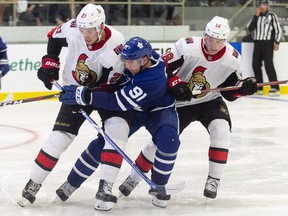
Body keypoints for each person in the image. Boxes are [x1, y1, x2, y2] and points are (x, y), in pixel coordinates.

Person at [117, 16, 257, 200]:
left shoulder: (232, 59)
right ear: (204, 34)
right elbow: (160, 66)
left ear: (225, 40)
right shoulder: (186, 46)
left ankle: (214, 179)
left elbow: (229, 94)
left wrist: (242, 89)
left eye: (219, 40)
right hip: (181, 102)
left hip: (210, 101)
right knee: (159, 143)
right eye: (210, 38)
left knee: (221, 130)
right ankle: (133, 178)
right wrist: (175, 82)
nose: (213, 44)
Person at [17, 3, 129, 208]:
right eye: (82, 30)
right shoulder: (73, 27)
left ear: (101, 27)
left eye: (90, 31)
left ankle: (105, 188)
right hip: (74, 88)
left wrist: (83, 95)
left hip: (106, 92)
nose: (85, 35)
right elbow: (53, 38)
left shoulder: (116, 41)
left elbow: (105, 81)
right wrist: (49, 64)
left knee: (116, 133)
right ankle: (33, 184)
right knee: (58, 138)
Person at [57, 36, 181, 209]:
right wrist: (91, 89)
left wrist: (85, 96)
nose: (127, 65)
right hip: (135, 110)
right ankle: (71, 183)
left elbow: (116, 102)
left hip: (159, 111)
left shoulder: (152, 79)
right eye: (126, 60)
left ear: (144, 60)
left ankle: (159, 186)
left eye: (131, 62)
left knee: (170, 141)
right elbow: (116, 82)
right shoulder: (144, 57)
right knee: (103, 143)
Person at [248, 0, 282, 96]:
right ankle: (260, 87)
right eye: (260, 5)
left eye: (264, 5)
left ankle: (275, 87)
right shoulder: (256, 16)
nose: (262, 6)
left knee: (268, 65)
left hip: (267, 43)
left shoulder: (271, 16)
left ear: (267, 6)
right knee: (255, 64)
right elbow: (250, 28)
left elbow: (278, 30)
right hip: (257, 43)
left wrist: (277, 42)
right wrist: (256, 16)